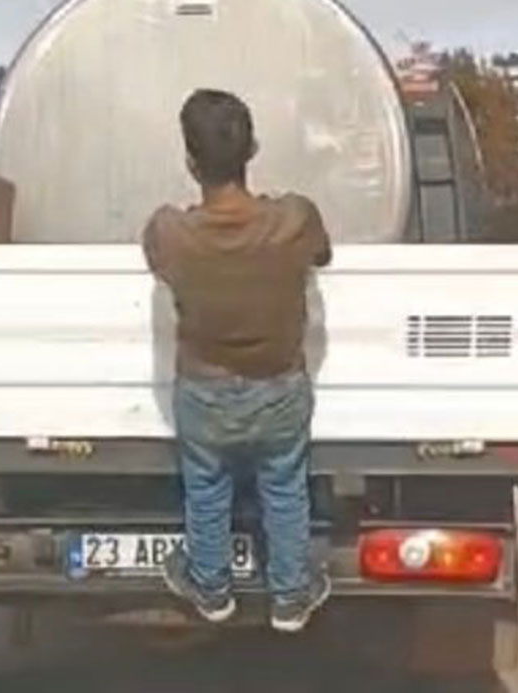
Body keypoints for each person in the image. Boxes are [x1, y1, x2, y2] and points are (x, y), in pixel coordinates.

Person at [143, 89, 332, 634]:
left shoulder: (169, 231)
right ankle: (290, 599)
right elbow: (322, 254)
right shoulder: (295, 218)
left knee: (206, 487)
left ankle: (211, 591)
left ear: (190, 162)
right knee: (285, 487)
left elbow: (156, 260)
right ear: (252, 149)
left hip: (204, 393)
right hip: (280, 387)